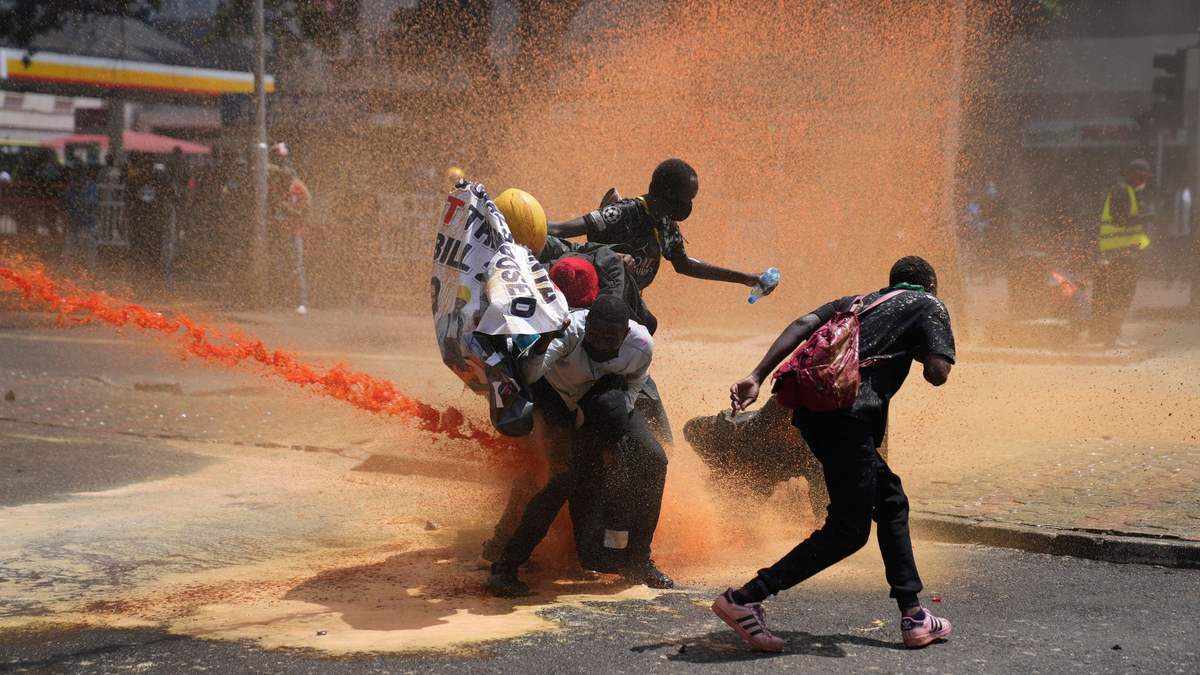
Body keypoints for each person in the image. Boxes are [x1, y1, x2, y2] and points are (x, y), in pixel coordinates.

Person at [712, 255, 956, 652]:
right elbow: (937, 372)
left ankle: (913, 615)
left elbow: (802, 326)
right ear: (930, 286)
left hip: (813, 413)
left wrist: (756, 375)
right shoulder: (929, 305)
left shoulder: (858, 301)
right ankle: (745, 598)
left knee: (891, 500)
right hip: (850, 416)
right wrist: (924, 348)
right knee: (848, 531)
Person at [486, 295, 671, 597]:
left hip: (602, 402)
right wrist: (545, 341)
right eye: (594, 335)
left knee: (654, 458)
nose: (599, 344)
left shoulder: (641, 346)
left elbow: (635, 386)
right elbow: (530, 375)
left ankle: (639, 560)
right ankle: (505, 567)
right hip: (555, 397)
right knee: (562, 478)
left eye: (609, 339)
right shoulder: (569, 331)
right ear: (587, 326)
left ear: (624, 335)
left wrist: (612, 429)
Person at [1091, 159, 1152, 346]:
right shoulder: (1121, 190)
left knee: (1117, 295)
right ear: (1131, 174)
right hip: (1116, 254)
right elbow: (1120, 220)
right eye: (1140, 176)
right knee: (1118, 295)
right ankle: (1108, 335)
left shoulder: (1127, 191)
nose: (1143, 181)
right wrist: (1144, 217)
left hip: (1120, 254)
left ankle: (1109, 334)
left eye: (1145, 177)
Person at [62, 165, 100, 277]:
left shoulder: (91, 187)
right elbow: (66, 206)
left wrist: (78, 195)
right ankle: (66, 273)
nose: (76, 178)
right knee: (69, 251)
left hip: (88, 225)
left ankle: (92, 273)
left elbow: (91, 203)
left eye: (78, 175)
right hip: (74, 225)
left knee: (90, 252)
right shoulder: (71, 189)